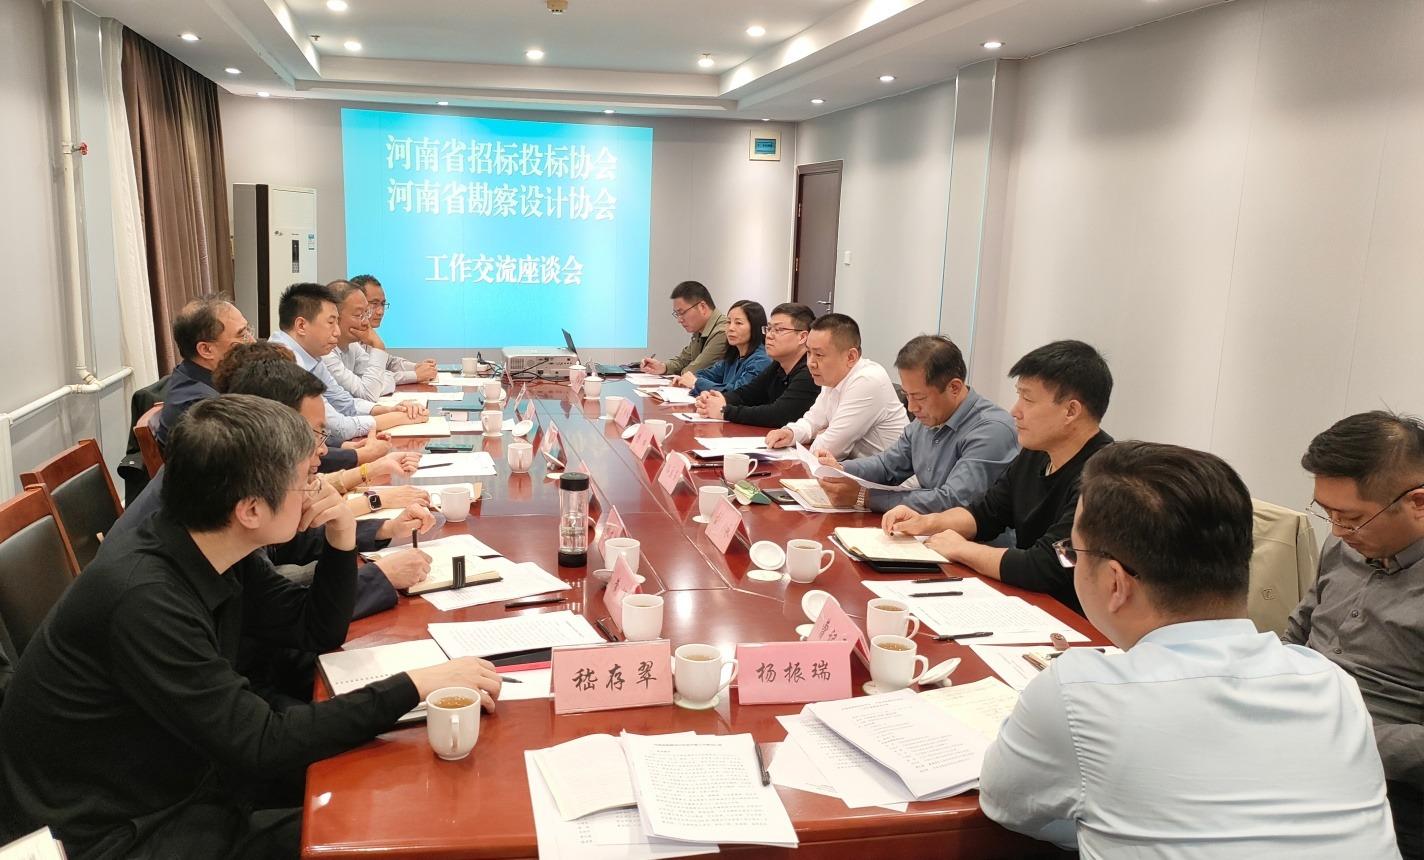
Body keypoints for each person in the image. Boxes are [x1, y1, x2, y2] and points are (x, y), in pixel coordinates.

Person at [0, 395, 502, 859]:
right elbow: (261, 742)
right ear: (251, 509)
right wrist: (415, 685)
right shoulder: (143, 595)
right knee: (388, 826)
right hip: (119, 832)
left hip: (186, 777)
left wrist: (342, 536)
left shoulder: (211, 543)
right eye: (307, 479)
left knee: (396, 776)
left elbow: (313, 631)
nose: (320, 489)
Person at [980, 441, 1400, 857]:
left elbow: (1007, 806)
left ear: (1115, 582)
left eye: (1072, 552)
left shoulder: (1076, 691)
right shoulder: (1333, 684)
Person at [113, 355, 435, 618]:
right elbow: (273, 604)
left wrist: (375, 528)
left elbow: (287, 553)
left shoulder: (234, 467)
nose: (323, 449)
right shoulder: (157, 589)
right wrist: (379, 575)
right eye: (312, 435)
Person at [884, 340, 1114, 612]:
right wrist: (926, 522)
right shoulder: (1037, 453)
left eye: (1027, 399)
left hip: (1073, 617)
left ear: (1071, 411)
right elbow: (986, 513)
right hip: (1028, 601)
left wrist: (961, 549)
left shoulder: (1105, 478)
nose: (1015, 411)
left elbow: (1044, 566)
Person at [1286, 411, 1424, 858]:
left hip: (1392, 791)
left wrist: (1342, 737)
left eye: (1351, 518)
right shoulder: (1345, 543)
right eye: (1327, 513)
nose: (1337, 531)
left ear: (1418, 502)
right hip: (1298, 745)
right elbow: (1298, 632)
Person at [816, 335, 1018, 513]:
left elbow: (954, 501)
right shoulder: (929, 417)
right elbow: (887, 466)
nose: (912, 407)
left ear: (954, 388)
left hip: (970, 540)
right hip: (925, 529)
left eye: (919, 397)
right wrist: (841, 469)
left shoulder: (991, 431)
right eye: (907, 395)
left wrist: (865, 497)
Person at [268, 282, 426, 443]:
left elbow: (344, 403)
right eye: (331, 323)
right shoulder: (284, 362)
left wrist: (389, 410)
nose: (337, 332)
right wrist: (399, 418)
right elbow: (338, 428)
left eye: (337, 322)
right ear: (301, 325)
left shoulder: (311, 355)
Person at [763, 313, 908, 461]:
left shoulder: (867, 380)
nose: (810, 363)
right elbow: (813, 420)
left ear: (851, 357)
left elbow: (828, 449)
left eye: (819, 355)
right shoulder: (833, 376)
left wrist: (821, 435)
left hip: (890, 475)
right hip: (855, 469)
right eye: (808, 353)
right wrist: (791, 433)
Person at [695, 302, 819, 427]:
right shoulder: (777, 366)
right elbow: (747, 394)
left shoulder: (810, 372)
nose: (769, 336)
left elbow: (779, 414)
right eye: (769, 329)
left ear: (802, 337)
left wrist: (724, 411)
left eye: (778, 330)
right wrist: (717, 399)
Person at [155, 296, 252, 448]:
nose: (252, 341)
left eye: (248, 330)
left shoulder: (193, 373)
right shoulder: (201, 409)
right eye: (242, 335)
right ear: (206, 350)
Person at [351, 274, 438, 384]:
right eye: (374, 304)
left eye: (383, 304)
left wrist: (416, 367)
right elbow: (373, 378)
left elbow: (388, 362)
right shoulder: (349, 340)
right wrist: (416, 375)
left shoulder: (366, 333)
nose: (380, 311)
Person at [673, 299, 770, 395]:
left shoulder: (761, 360)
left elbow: (738, 393)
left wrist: (696, 382)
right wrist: (688, 379)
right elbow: (708, 374)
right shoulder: (733, 356)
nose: (731, 328)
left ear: (755, 327)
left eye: (738, 323)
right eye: (728, 322)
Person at [324, 280, 395, 400]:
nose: (366, 322)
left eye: (366, 313)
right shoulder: (325, 354)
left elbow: (388, 378)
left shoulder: (352, 345)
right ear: (334, 317)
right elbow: (369, 394)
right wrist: (378, 346)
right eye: (358, 315)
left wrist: (372, 386)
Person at [640, 281, 727, 376]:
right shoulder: (700, 330)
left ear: (702, 307)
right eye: (677, 314)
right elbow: (683, 360)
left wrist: (680, 374)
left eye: (682, 312)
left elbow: (696, 370)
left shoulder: (722, 331)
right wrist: (663, 367)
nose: (679, 320)